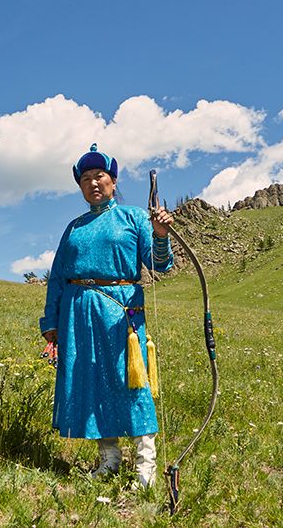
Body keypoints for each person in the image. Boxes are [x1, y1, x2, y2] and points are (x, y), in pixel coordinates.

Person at [39, 144, 174, 489]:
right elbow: (57, 277)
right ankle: (110, 459)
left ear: (113, 180)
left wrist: (160, 235)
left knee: (130, 381)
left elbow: (160, 264)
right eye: (85, 179)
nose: (93, 183)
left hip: (121, 314)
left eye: (99, 176)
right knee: (93, 382)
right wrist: (51, 322)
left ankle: (146, 464)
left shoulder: (133, 218)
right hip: (78, 315)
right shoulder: (74, 228)